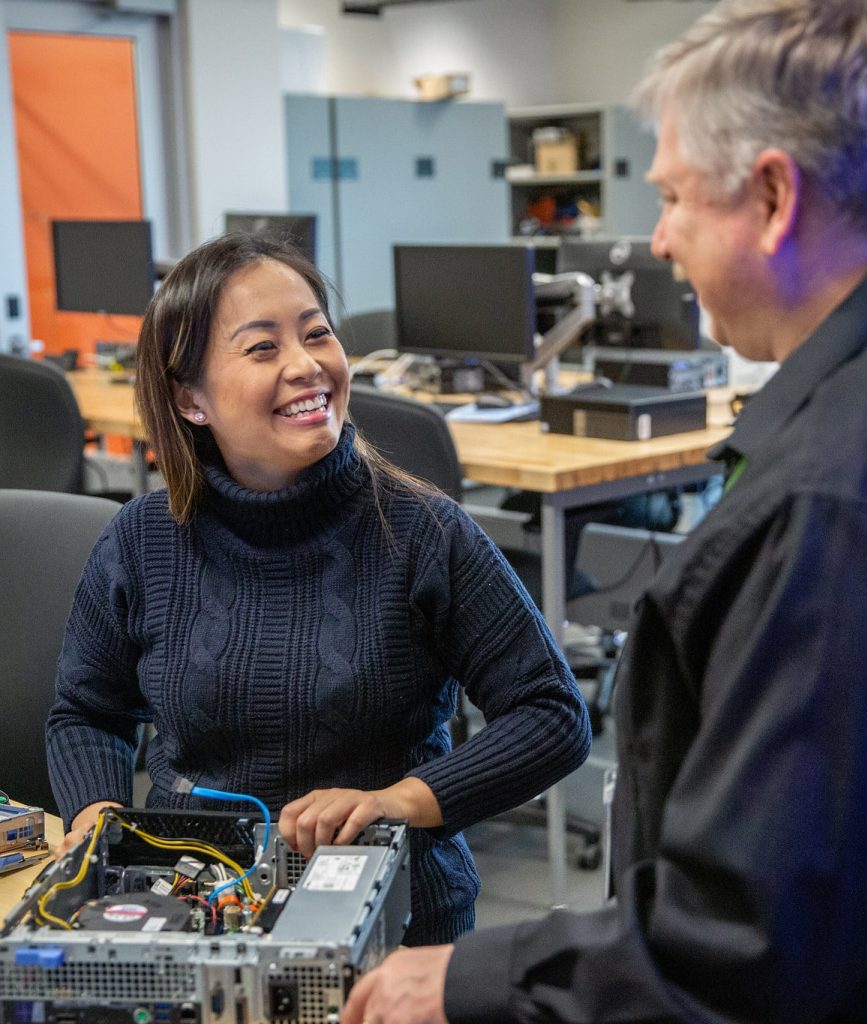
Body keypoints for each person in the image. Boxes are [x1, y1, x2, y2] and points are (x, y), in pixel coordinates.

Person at [340, 0, 867, 1020]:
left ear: (773, 195)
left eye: (671, 198)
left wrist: (466, 981)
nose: (656, 238)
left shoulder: (843, 498)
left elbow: (754, 932)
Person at [45, 232, 592, 947]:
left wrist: (401, 802)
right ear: (190, 399)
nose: (307, 366)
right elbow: (85, 712)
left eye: (317, 334)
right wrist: (97, 826)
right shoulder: (142, 539)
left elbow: (551, 714)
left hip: (393, 922)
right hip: (192, 914)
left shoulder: (422, 531)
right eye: (263, 348)